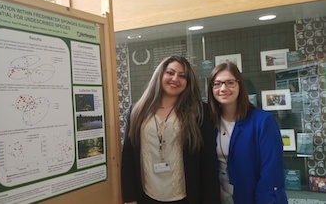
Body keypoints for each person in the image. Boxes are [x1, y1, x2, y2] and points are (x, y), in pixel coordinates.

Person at [121, 55, 220, 204]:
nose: (175, 79)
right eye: (170, 73)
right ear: (160, 74)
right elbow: (128, 157)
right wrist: (130, 199)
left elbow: (209, 163)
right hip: (146, 197)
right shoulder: (136, 110)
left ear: (188, 82)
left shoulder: (199, 111)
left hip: (187, 198)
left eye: (182, 76)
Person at [207, 61, 288, 204]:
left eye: (230, 82)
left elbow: (271, 174)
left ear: (240, 86)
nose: (223, 88)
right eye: (217, 83)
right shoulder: (209, 122)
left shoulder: (263, 122)